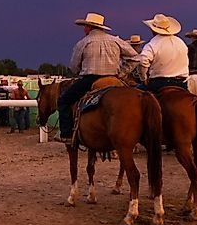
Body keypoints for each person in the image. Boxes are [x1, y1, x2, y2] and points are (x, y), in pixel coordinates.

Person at [56, 12, 138, 143]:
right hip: (114, 79)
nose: (84, 29)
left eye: (85, 26)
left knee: (63, 100)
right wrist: (122, 73)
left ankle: (66, 134)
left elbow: (73, 66)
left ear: (89, 27)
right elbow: (135, 58)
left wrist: (80, 71)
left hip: (90, 79)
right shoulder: (116, 41)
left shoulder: (83, 43)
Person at [136, 14, 189, 94]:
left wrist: (143, 78)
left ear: (153, 30)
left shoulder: (152, 44)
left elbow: (142, 62)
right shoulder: (181, 42)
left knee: (137, 93)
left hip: (159, 83)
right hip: (181, 83)